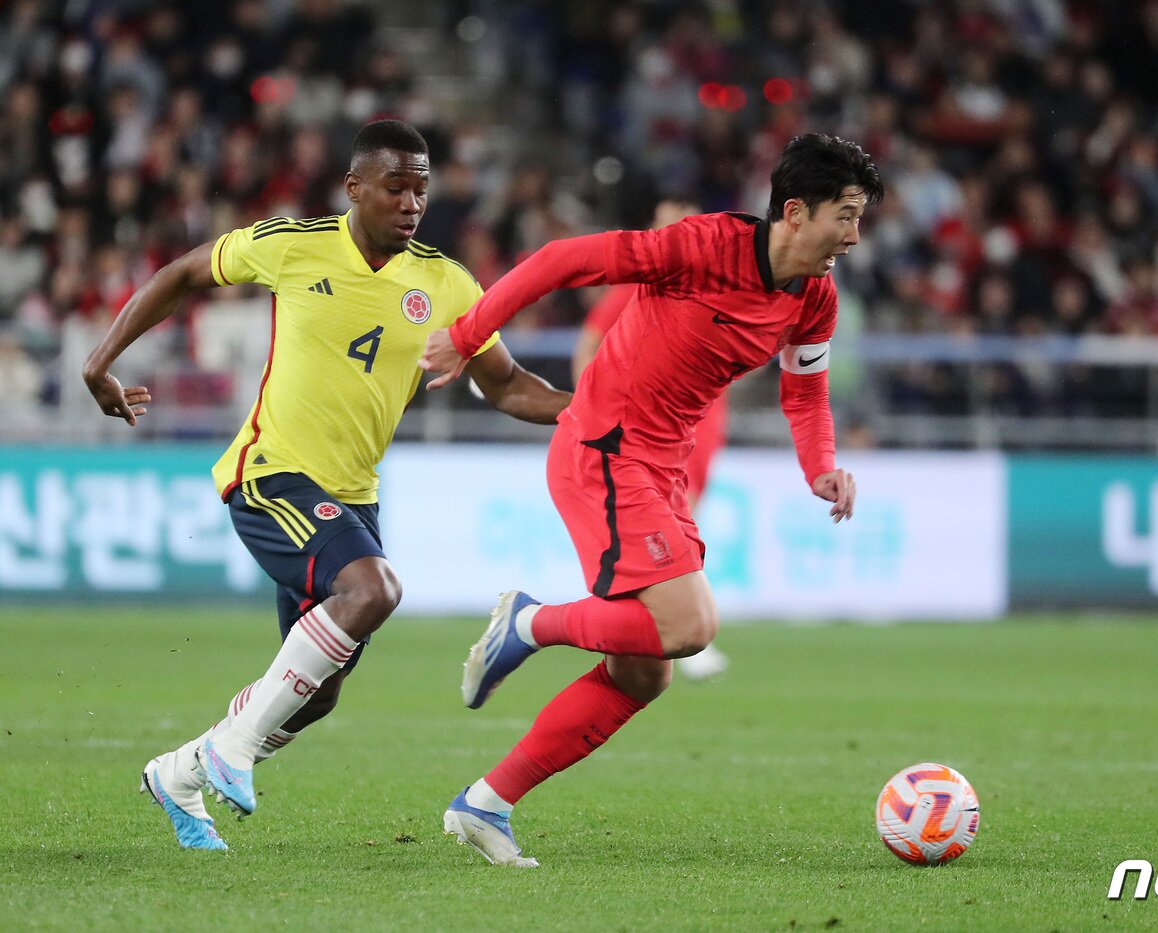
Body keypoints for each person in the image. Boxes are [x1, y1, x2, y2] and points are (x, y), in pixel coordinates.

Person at [83, 120, 570, 851]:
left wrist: (590, 409)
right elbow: (183, 273)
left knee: (315, 695)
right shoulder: (294, 244)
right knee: (374, 589)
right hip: (270, 473)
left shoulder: (446, 283)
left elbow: (506, 385)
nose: (412, 204)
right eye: (396, 187)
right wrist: (100, 364)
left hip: (354, 497)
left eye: (422, 190)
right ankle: (232, 749)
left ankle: (178, 772)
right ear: (355, 187)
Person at [420, 133, 882, 867]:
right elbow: (560, 261)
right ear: (796, 212)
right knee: (690, 624)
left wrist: (820, 466)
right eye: (846, 216)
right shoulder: (701, 246)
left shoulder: (813, 298)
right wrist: (467, 333)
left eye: (860, 218)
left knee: (644, 670)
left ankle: (485, 802)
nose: (854, 237)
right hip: (604, 450)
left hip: (662, 467)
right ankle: (530, 621)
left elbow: (805, 392)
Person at [570, 197, 730, 683]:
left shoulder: (718, 280)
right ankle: (680, 629)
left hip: (699, 422)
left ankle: (672, 627)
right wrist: (587, 407)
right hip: (651, 426)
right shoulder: (645, 282)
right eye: (663, 221)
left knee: (685, 525)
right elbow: (589, 340)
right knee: (671, 529)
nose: (669, 230)